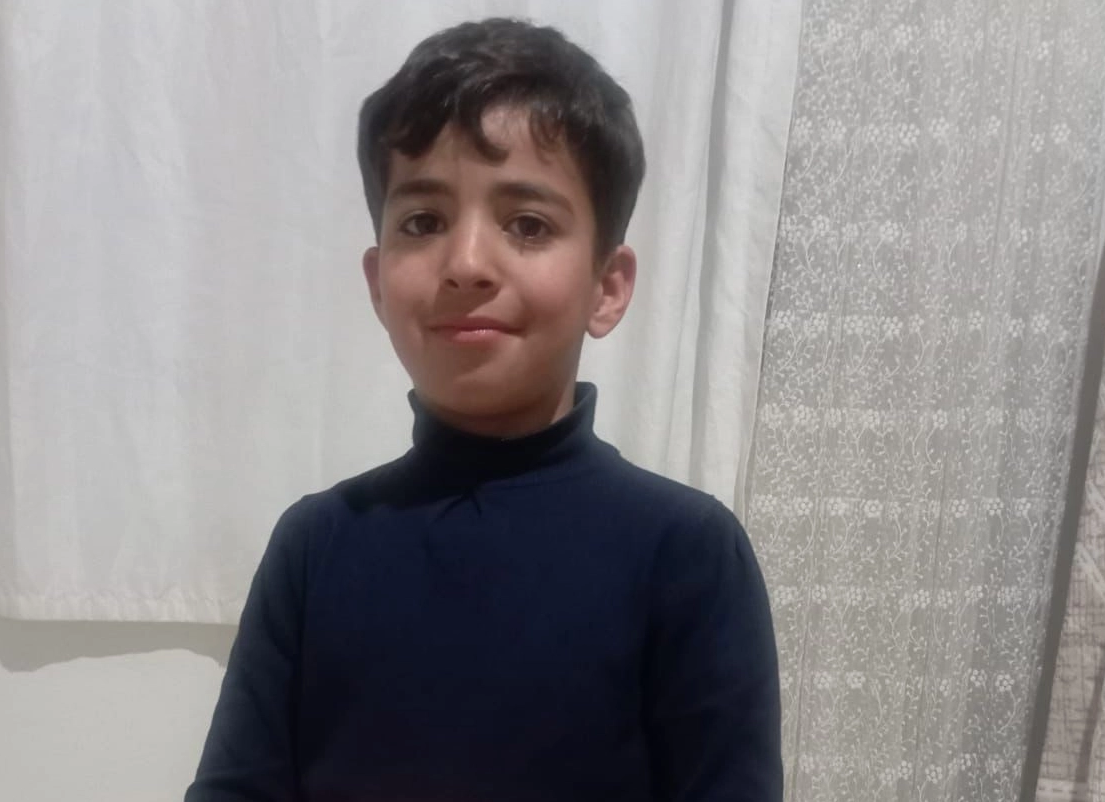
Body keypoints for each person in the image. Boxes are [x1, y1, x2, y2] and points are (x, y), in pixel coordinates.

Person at [186, 17, 781, 802]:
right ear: (378, 281)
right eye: (423, 222)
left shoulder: (687, 554)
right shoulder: (316, 545)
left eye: (528, 225)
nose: (466, 264)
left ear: (607, 287)